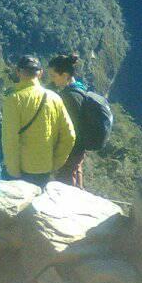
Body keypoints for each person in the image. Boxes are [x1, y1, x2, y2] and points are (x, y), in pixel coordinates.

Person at [2, 55, 75, 187]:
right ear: (40, 73)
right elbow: (69, 136)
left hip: (22, 170)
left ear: (18, 72)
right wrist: (55, 163)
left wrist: (13, 171)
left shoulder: (13, 100)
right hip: (45, 169)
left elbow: (10, 140)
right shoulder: (55, 98)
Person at [47, 53, 89, 188]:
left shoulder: (68, 97)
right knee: (76, 174)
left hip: (71, 148)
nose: (52, 79)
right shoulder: (81, 90)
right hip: (80, 147)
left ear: (65, 75)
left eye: (54, 76)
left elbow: (67, 128)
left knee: (65, 181)